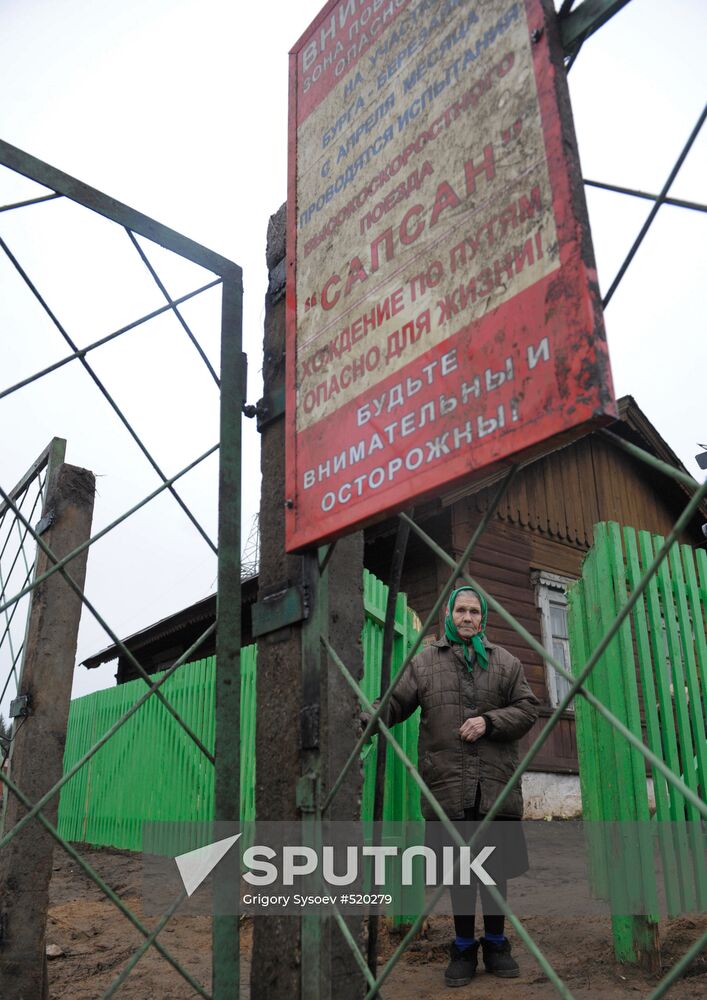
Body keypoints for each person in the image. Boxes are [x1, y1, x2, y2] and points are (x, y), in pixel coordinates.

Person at [380, 585, 539, 986]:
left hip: (493, 786)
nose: (467, 618)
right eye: (460, 611)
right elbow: (395, 704)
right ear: (448, 615)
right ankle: (464, 948)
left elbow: (527, 709)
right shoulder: (425, 664)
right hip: (448, 784)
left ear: (482, 618)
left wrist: (489, 722)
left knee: (493, 871)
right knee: (460, 873)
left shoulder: (505, 663)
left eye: (474, 612)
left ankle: (498, 944)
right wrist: (368, 718)